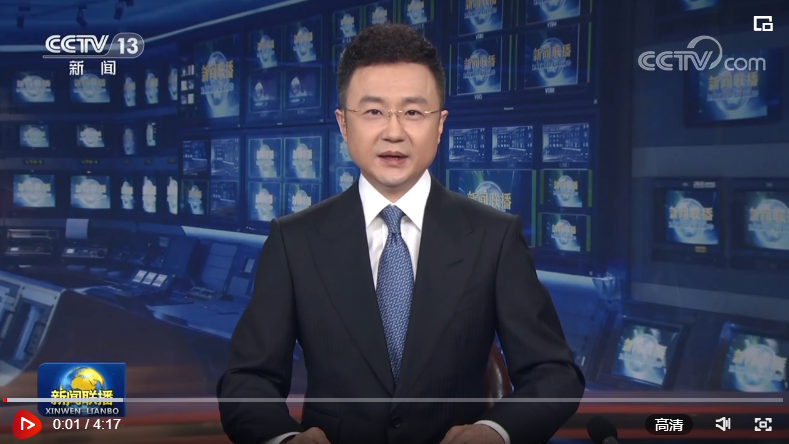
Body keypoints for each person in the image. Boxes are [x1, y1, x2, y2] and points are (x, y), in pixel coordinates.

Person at [217, 23, 585, 444]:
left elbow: (554, 373)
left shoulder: (494, 237)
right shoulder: (293, 241)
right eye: (373, 112)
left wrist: (495, 431)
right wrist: (284, 439)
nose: (394, 132)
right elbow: (247, 381)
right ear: (343, 124)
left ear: (440, 124)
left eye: (413, 112)